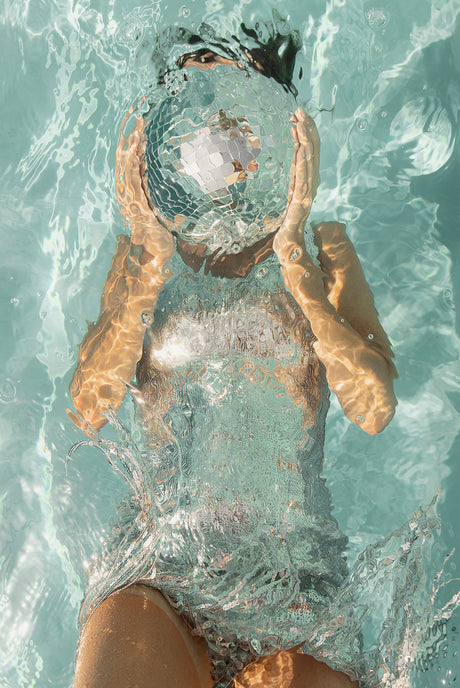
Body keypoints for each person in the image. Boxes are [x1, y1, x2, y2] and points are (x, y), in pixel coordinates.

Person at [70, 46, 397, 688]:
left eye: (236, 112)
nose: (217, 132)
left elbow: (375, 407)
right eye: (198, 112)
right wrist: (153, 259)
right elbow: (88, 407)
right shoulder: (141, 256)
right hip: (159, 566)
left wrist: (294, 258)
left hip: (296, 580)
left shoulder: (325, 249)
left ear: (276, 132)